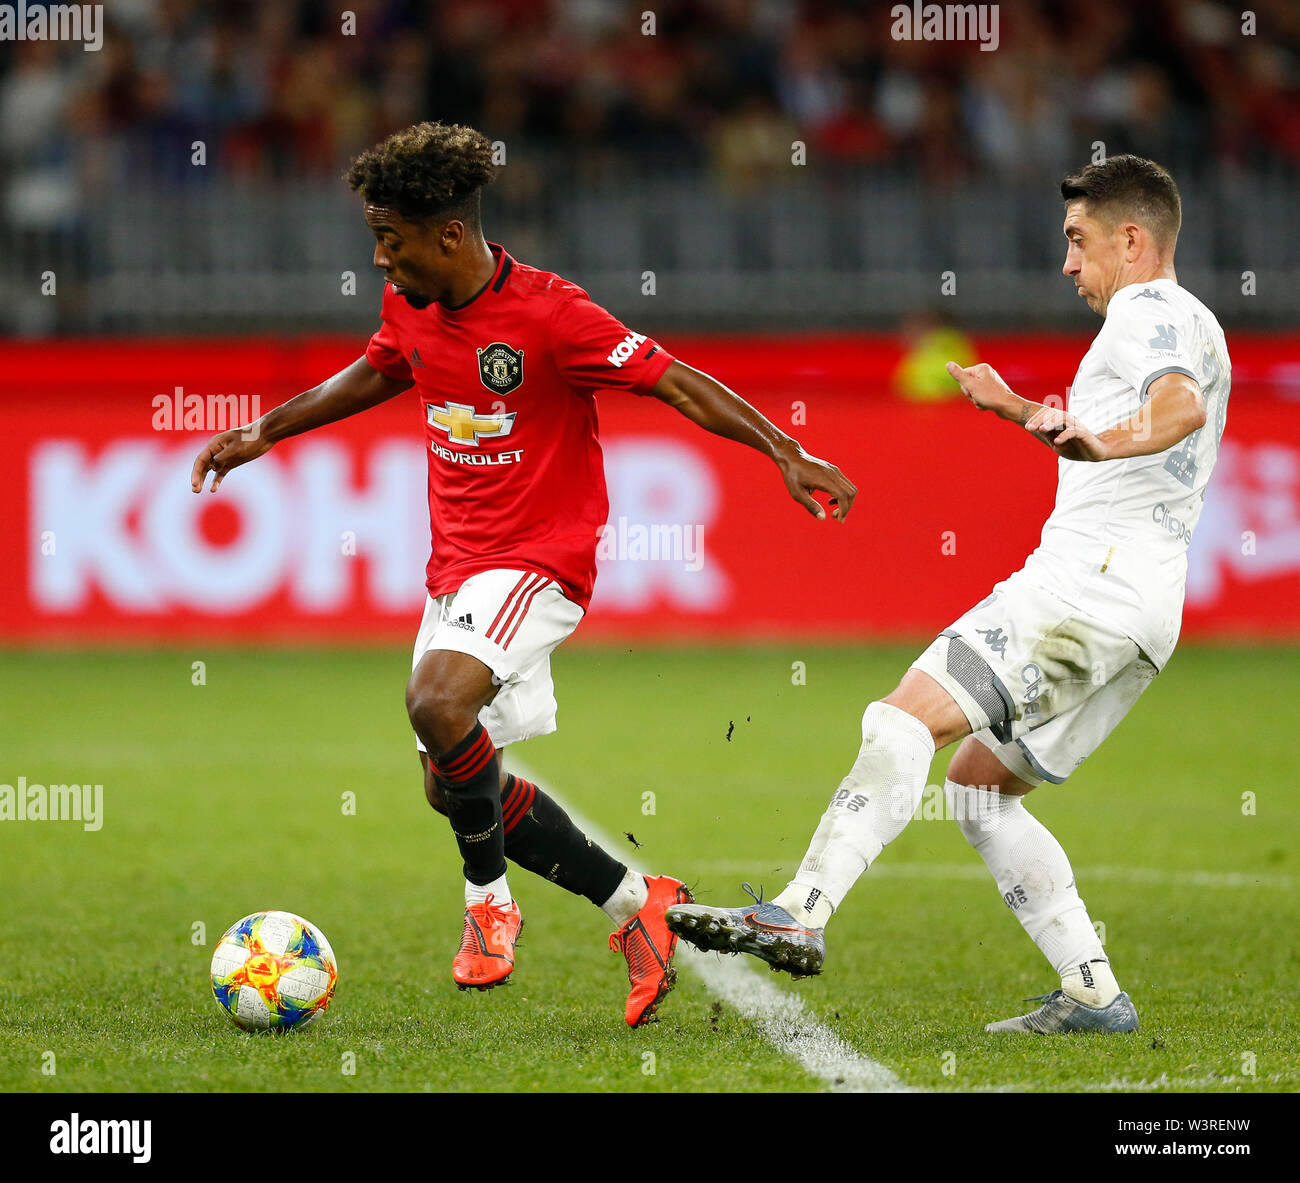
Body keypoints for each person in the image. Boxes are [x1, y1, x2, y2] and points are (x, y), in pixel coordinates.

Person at [190, 121, 856, 1027]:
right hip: (456, 569)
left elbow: (674, 381)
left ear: (449, 236)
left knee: (436, 703)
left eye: (391, 240)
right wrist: (268, 429)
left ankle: (488, 905)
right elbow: (383, 368)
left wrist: (784, 448)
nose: (380, 261)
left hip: (539, 559)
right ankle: (639, 903)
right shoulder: (413, 306)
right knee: (453, 782)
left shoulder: (552, 314)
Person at [667, 154, 1230, 1035]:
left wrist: (1096, 433)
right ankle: (1091, 991)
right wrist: (1019, 410)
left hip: (1084, 587)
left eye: (1079, 242)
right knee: (974, 789)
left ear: (1133, 237)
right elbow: (1145, 419)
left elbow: (1178, 409)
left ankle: (802, 907)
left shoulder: (1144, 309)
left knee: (900, 720)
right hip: (1147, 615)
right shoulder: (1196, 321)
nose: (1069, 264)